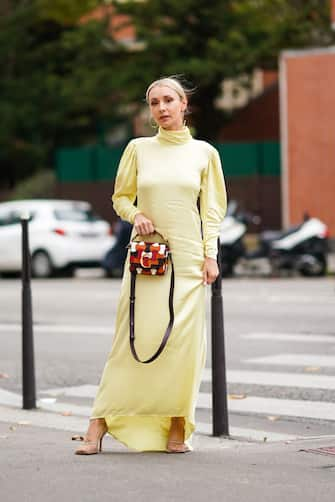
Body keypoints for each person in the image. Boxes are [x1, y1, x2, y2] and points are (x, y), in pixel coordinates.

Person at [74, 76, 227, 455]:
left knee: (182, 347)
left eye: (168, 100)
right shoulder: (138, 149)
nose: (161, 108)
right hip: (147, 257)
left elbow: (212, 210)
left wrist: (211, 255)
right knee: (129, 342)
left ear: (183, 105)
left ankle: (177, 425)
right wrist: (137, 214)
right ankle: (98, 425)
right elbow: (120, 198)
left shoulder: (205, 153)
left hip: (190, 260)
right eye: (154, 102)